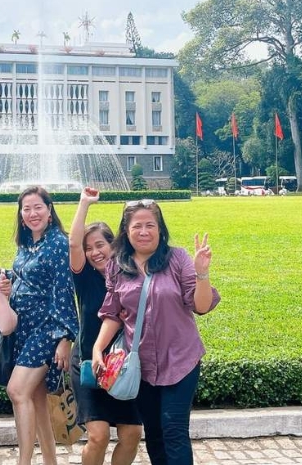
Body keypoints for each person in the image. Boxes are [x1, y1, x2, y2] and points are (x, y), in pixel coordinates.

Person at [92, 199, 220, 465]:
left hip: (180, 361)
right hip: (143, 366)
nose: (144, 231)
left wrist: (202, 274)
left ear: (160, 229)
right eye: (137, 226)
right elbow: (113, 312)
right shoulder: (117, 265)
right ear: (126, 231)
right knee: (154, 434)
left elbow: (201, 305)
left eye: (150, 225)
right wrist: (97, 348)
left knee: (174, 431)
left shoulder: (177, 259)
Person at [68, 188, 142, 465]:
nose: (94, 252)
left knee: (132, 433)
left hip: (124, 364)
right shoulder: (85, 277)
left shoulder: (131, 274)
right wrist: (84, 203)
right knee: (98, 435)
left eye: (100, 245)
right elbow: (74, 244)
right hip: (89, 363)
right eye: (90, 248)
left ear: (114, 245)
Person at [7, 186, 78, 465]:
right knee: (36, 401)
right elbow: (26, 278)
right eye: (27, 209)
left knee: (16, 390)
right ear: (21, 215)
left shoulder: (58, 243)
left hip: (46, 329)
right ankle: (50, 461)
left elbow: (64, 290)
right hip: (23, 330)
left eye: (38, 207)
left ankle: (24, 462)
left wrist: (65, 338)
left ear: (50, 211)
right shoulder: (26, 245)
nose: (32, 213)